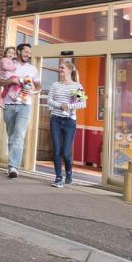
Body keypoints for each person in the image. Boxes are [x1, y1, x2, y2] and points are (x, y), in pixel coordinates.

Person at [0, 43, 41, 178]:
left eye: (29, 52)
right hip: (9, 104)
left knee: (19, 136)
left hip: (24, 105)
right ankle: (12, 164)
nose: (28, 54)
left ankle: (13, 167)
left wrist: (31, 91)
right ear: (19, 51)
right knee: (11, 136)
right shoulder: (9, 63)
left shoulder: (32, 69)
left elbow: (39, 87)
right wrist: (13, 81)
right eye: (25, 51)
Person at [47, 60, 86, 188]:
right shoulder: (55, 85)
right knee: (57, 150)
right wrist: (60, 106)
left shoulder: (77, 86)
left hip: (70, 121)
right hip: (56, 120)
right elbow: (49, 100)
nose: (60, 69)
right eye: (60, 67)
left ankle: (69, 171)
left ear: (70, 70)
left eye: (62, 67)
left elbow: (82, 103)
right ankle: (58, 177)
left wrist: (68, 106)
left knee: (65, 152)